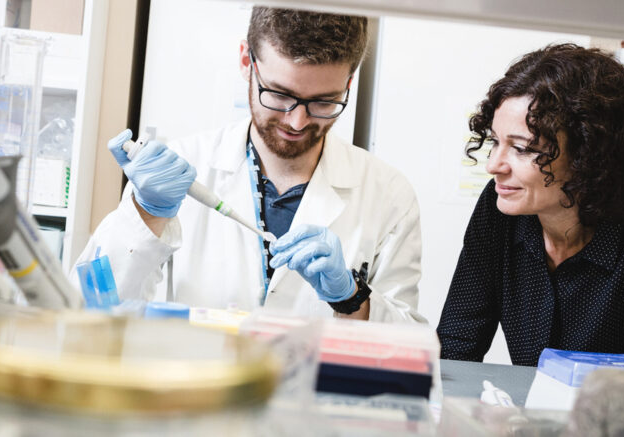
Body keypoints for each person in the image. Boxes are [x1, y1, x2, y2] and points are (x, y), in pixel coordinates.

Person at [76, 7, 425, 322]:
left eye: (324, 101)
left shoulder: (389, 194)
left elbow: (411, 346)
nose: (297, 121)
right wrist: (146, 213)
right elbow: (91, 310)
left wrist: (351, 297)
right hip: (197, 390)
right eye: (280, 94)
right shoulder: (182, 168)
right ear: (247, 62)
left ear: (348, 84)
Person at [436, 44, 624, 366]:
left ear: (588, 155)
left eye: (522, 149)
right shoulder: (498, 210)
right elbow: (456, 348)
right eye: (496, 142)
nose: (494, 165)